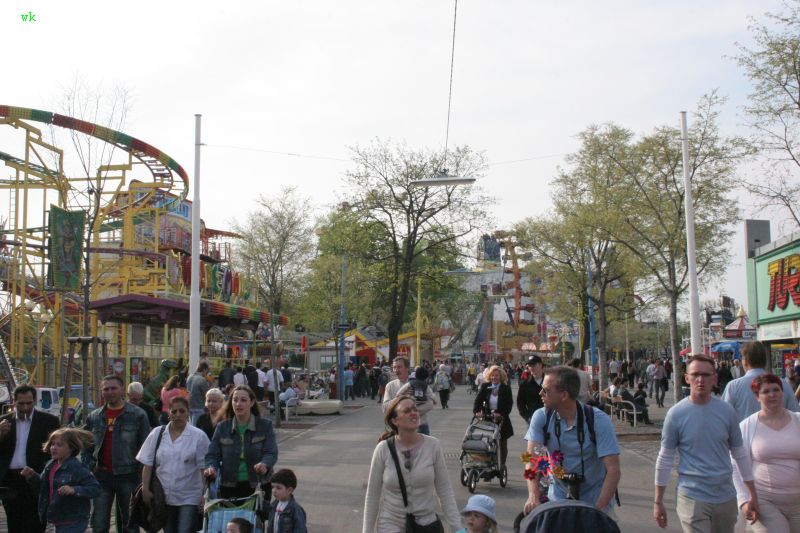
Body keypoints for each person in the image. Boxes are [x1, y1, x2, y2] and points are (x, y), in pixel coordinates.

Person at [654, 356, 759, 533]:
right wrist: (658, 501)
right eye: (695, 375)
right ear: (687, 378)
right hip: (691, 495)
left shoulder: (727, 411)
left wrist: (751, 493)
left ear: (715, 378)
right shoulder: (675, 414)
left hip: (725, 495)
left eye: (705, 375)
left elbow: (739, 454)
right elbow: (665, 458)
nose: (700, 380)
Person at [523, 366, 620, 517]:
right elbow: (531, 460)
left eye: (546, 390)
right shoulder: (541, 417)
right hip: (557, 502)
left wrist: (597, 510)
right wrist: (533, 496)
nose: (540, 393)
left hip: (595, 500)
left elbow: (613, 470)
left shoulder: (598, 420)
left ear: (563, 395)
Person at [362, 394, 462, 532]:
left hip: (426, 525)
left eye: (415, 409)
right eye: (407, 411)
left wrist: (458, 528)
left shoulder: (433, 445)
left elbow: (445, 491)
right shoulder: (383, 449)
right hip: (390, 524)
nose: (414, 413)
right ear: (395, 420)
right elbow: (372, 496)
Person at [731, 374, 800, 533]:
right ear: (757, 396)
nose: (772, 394)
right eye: (766, 391)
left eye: (776, 390)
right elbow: (735, 465)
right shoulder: (747, 426)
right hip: (764, 501)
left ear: (782, 393)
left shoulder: (798, 421)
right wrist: (744, 501)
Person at [84, 375, 151, 533]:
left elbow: (146, 448)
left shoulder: (138, 415)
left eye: (113, 388)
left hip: (129, 476)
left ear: (122, 390)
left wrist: (142, 476)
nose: (110, 392)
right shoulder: (94, 417)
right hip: (101, 476)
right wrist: (90, 466)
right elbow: (86, 445)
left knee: (130, 524)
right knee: (99, 524)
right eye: (106, 389)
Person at [137, 396, 209, 533]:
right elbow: (148, 464)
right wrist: (145, 489)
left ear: (188, 413)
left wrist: (204, 494)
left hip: (190, 495)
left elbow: (203, 468)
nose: (178, 415)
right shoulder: (157, 433)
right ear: (168, 413)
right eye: (174, 411)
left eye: (182, 411)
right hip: (163, 495)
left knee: (184, 529)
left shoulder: (199, 436)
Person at [0, 384, 61, 532]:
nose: (25, 407)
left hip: (36, 477)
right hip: (11, 480)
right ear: (14, 401)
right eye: (21, 404)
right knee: (14, 522)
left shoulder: (49, 421)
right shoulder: (4, 422)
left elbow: (57, 450)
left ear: (35, 400)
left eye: (29, 403)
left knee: (36, 522)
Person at [20, 427, 100, 533]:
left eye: (59, 445)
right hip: (55, 520)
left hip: (73, 521)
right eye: (52, 444)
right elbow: (42, 489)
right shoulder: (50, 466)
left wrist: (74, 490)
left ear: (71, 448)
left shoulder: (76, 467)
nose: (54, 448)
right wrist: (32, 476)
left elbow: (95, 488)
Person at [204, 384, 278, 498]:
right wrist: (211, 468)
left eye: (243, 400)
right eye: (235, 400)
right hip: (229, 486)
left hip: (258, 484)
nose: (238, 404)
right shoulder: (222, 427)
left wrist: (265, 464)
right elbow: (212, 455)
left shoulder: (265, 426)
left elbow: (271, 452)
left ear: (251, 402)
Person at [722, 341, 799, 422]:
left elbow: (724, 417)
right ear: (765, 360)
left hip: (743, 429)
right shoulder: (782, 384)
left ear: (745, 361)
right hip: (780, 428)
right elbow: (795, 415)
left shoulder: (733, 386)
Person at [474, 365, 514, 468]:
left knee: (502, 444)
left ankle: (502, 465)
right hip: (488, 418)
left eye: (496, 375)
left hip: (502, 419)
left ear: (501, 377)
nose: (494, 377)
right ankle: (488, 463)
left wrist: (501, 414)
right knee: (487, 442)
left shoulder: (506, 388)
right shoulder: (485, 386)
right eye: (492, 375)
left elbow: (509, 405)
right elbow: (478, 400)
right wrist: (477, 412)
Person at [397, 366, 437, 434]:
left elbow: (399, 393)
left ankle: (412, 410)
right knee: (430, 403)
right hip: (422, 413)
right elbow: (431, 395)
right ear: (425, 377)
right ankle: (416, 411)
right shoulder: (425, 386)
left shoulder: (410, 383)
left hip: (411, 405)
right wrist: (435, 400)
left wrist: (404, 396)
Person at [266, 468, 308, 533]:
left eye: (278, 488)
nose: (274, 491)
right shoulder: (274, 505)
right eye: (272, 487)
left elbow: (300, 529)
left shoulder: (296, 509)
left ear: (290, 490)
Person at [517, 355, 545, 425]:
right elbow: (520, 403)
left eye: (534, 365)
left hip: (549, 419)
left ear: (541, 365)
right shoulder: (524, 384)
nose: (531, 368)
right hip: (533, 420)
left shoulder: (549, 381)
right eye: (529, 366)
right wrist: (527, 417)